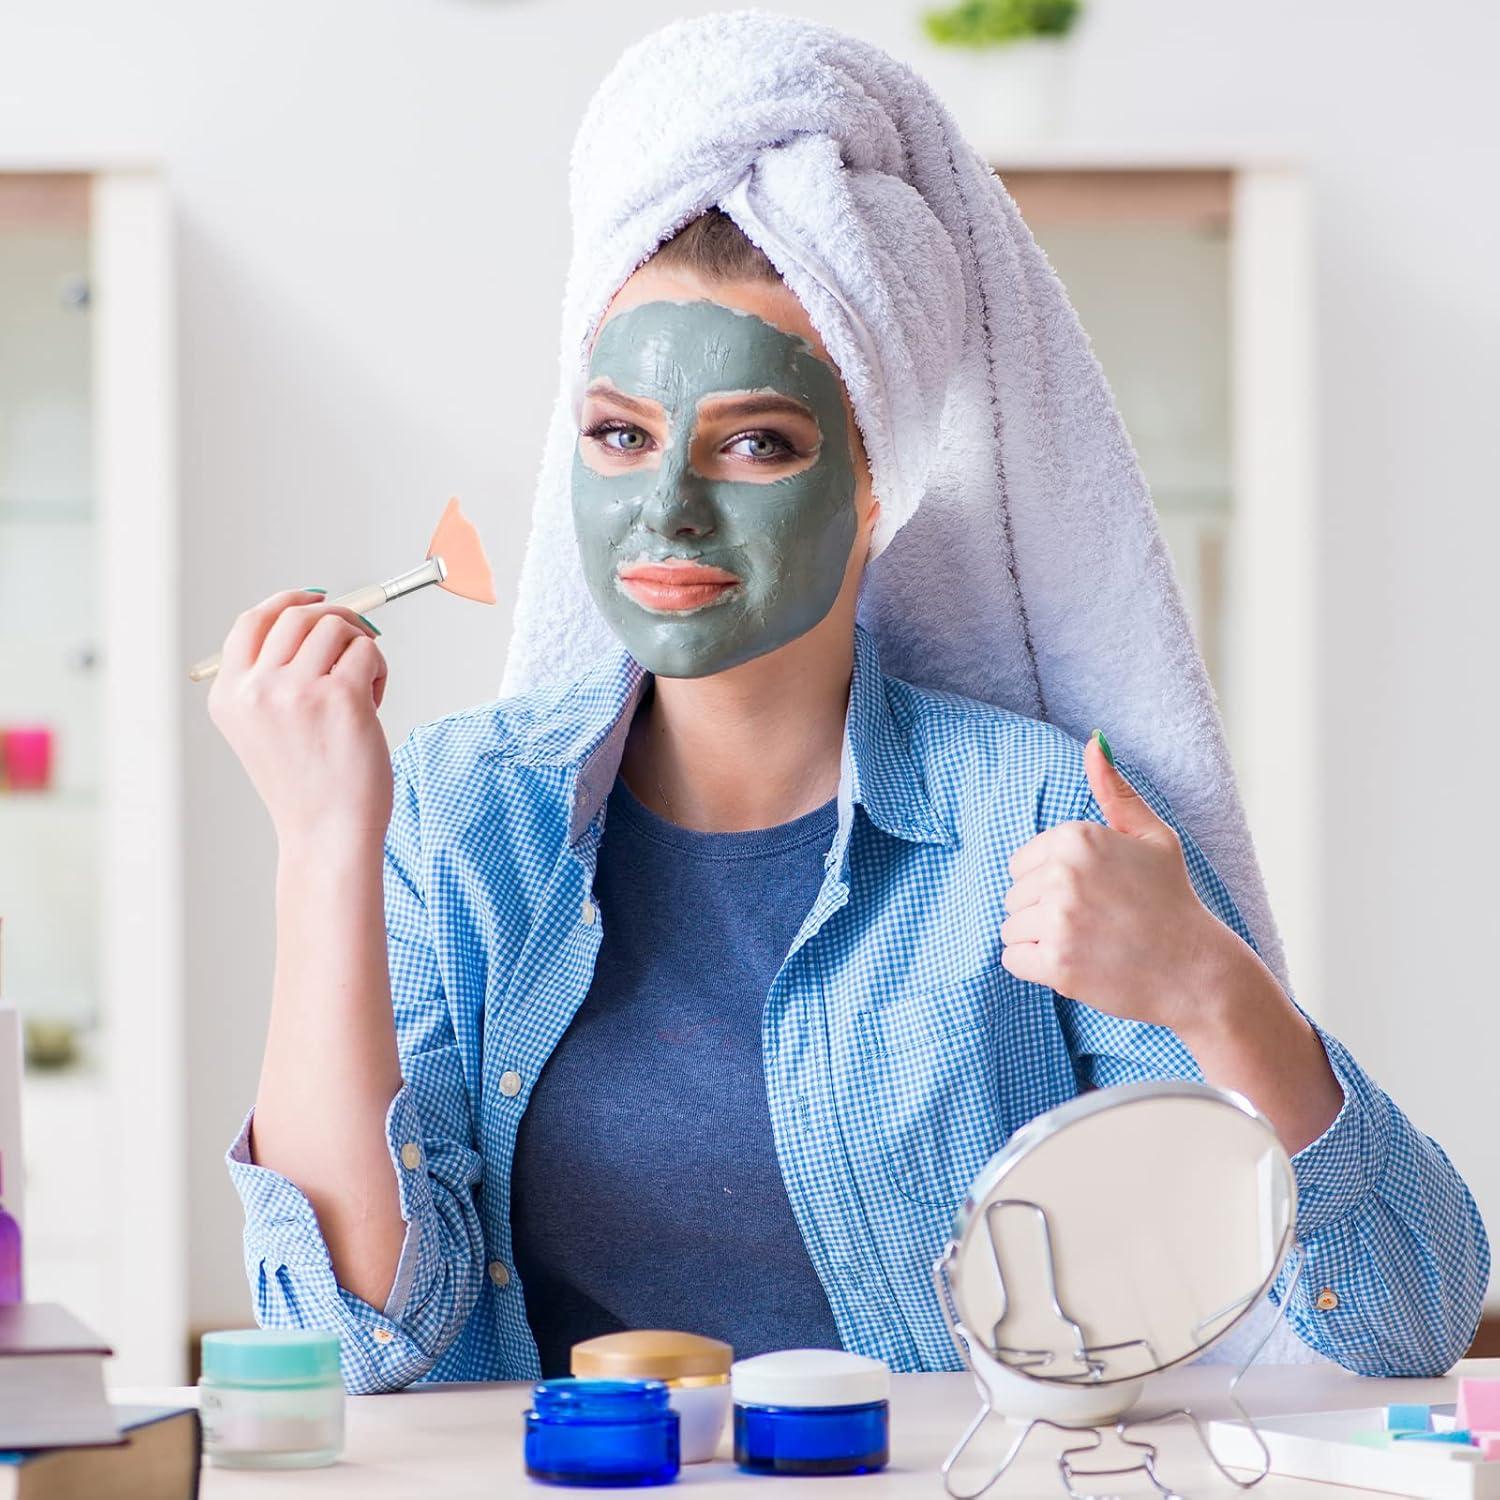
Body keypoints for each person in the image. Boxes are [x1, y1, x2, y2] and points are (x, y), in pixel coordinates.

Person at [212, 18, 1487, 1394]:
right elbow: (357, 1343)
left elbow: (1407, 1316)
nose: (668, 508)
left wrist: (1207, 984)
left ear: (877, 490)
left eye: (757, 441)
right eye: (619, 435)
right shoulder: (460, 816)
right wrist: (326, 843)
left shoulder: (1045, 814)